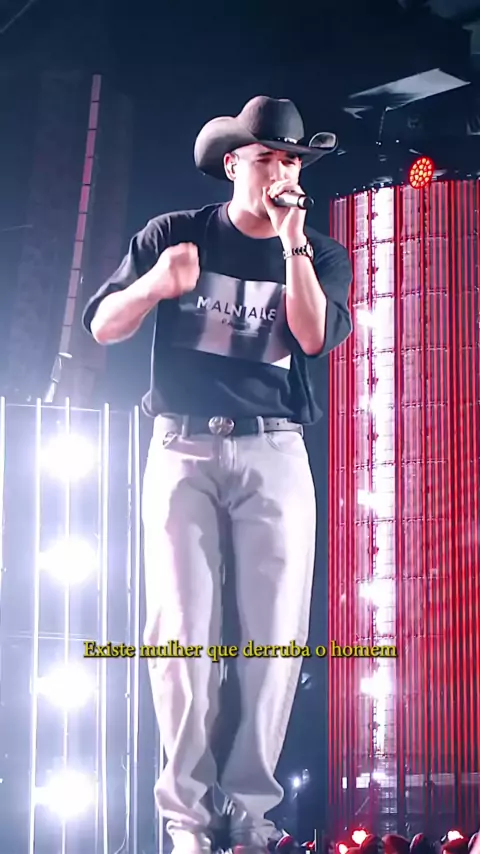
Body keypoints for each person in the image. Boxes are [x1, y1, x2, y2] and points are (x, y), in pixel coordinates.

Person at [82, 95, 353, 854]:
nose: (282, 171)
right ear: (234, 163)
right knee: (181, 639)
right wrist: (155, 286)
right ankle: (188, 825)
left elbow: (312, 337)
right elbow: (102, 325)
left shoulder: (321, 253)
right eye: (268, 157)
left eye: (293, 160)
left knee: (274, 640)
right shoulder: (174, 234)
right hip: (182, 448)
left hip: (275, 450)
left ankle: (253, 819)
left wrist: (293, 244)